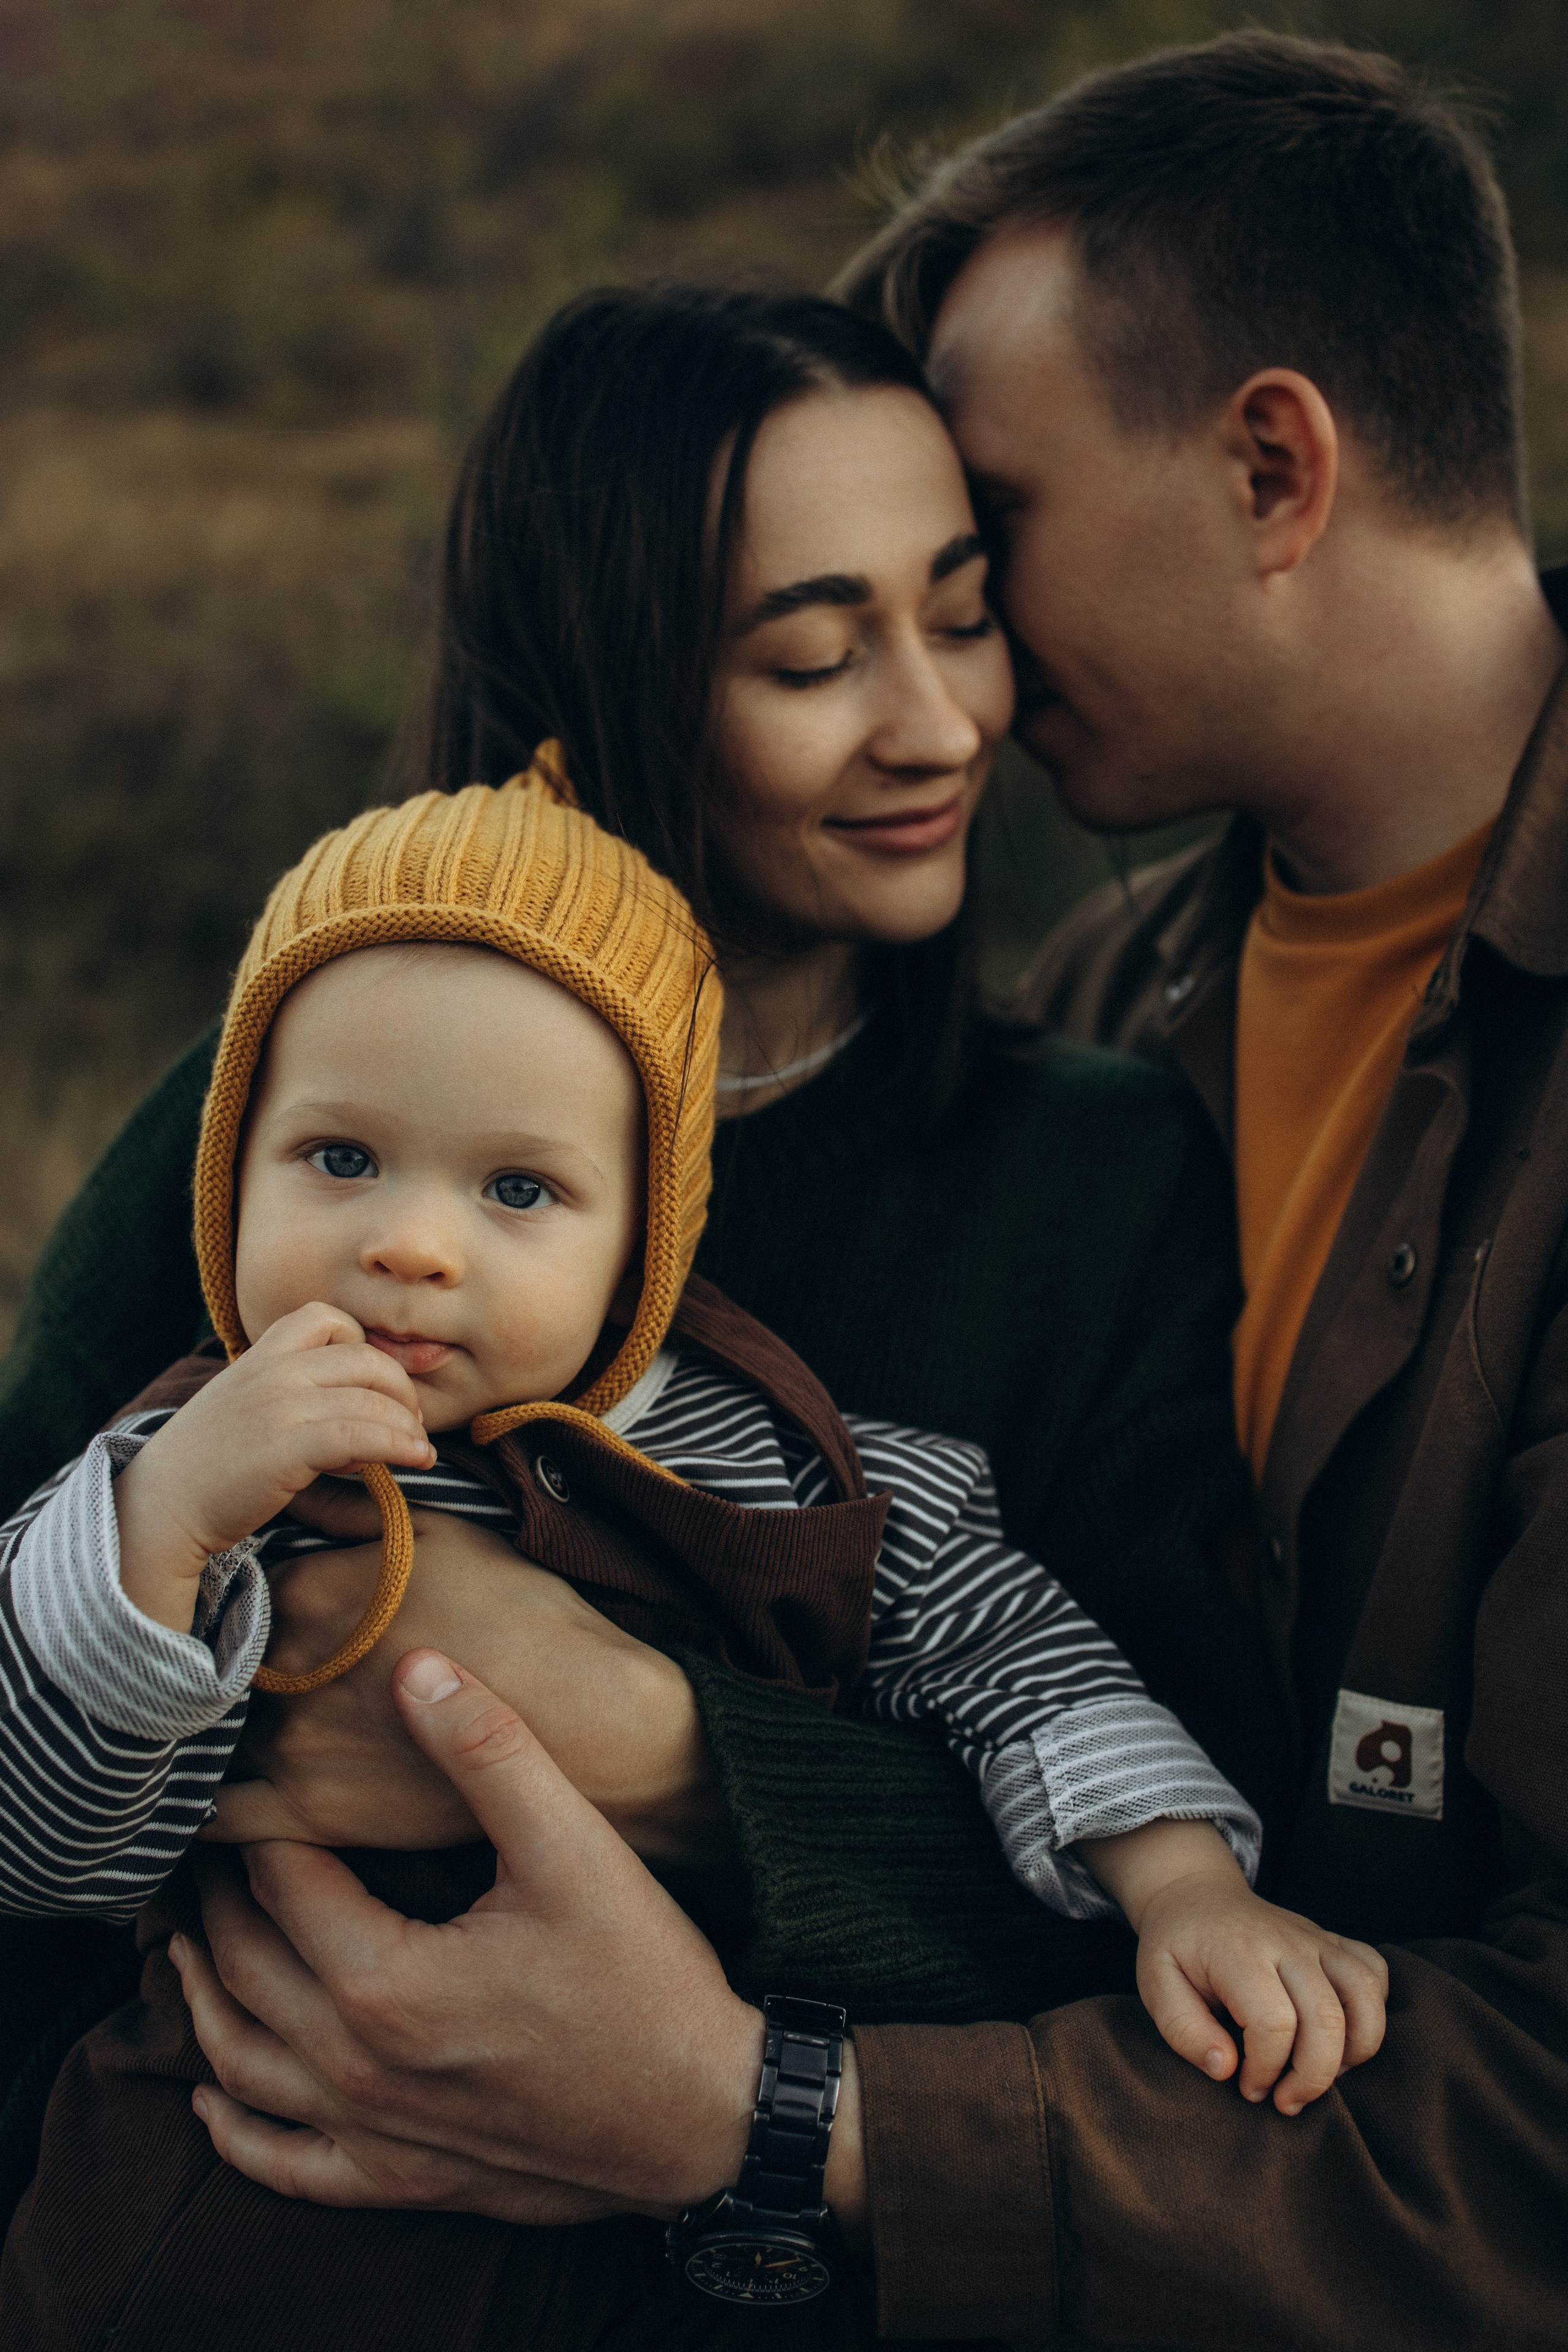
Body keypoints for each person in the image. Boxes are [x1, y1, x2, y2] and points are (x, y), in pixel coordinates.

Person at [138, 31, 1568, 2351]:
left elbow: (1250, 1882)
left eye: (986, 549)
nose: (949, 703)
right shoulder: (1128, 993)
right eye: (818, 642)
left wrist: (736, 2003)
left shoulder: (1086, 1137)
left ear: (1274, 465)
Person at [0, 288, 1276, 2155]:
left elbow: (1194, 1893)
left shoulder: (1093, 1180)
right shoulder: (281, 1136)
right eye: (812, 657)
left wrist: (664, 1753)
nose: (940, 724)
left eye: (960, 615)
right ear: (609, 681)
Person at [1, 770, 1378, 2347]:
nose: (412, 1243)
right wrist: (160, 1536)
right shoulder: (170, 1473)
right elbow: (41, 1861)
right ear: (226, 1165)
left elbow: (1023, 1668)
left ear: (644, 1236)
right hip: (224, 2221)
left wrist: (1185, 1887)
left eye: (518, 1190)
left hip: (629, 2240)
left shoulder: (781, 1471)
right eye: (337, 1159)